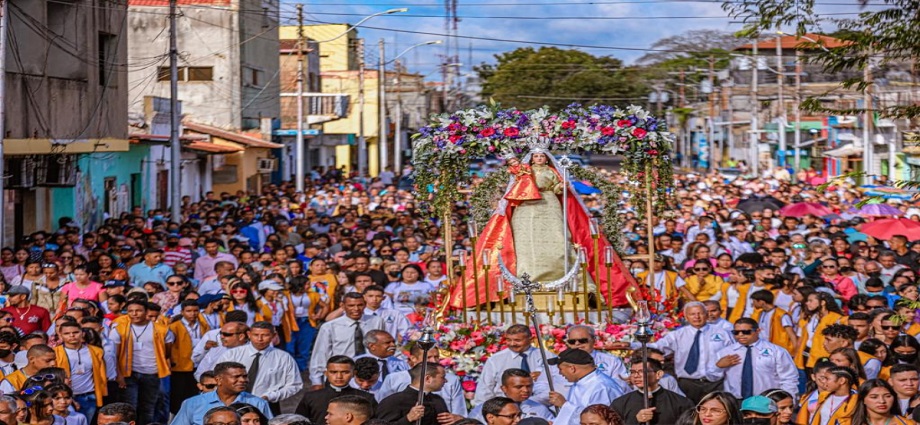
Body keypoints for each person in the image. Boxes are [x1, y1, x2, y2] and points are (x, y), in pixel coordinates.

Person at [644, 302, 732, 403]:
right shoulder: (677, 335)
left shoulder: (722, 333)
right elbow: (657, 346)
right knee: (688, 413)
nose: (697, 317)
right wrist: (631, 345)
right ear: (686, 317)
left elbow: (734, 352)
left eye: (700, 313)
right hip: (687, 383)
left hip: (715, 383)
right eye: (692, 314)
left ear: (706, 315)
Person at [216, 321, 303, 415]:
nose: (260, 339)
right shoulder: (232, 354)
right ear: (249, 334)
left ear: (273, 336)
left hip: (267, 405)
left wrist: (270, 396)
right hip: (231, 403)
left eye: (265, 335)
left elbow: (294, 384)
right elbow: (217, 377)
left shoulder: (283, 358)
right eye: (256, 335)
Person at [109, 300, 173, 425]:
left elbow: (167, 351)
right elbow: (114, 355)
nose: (134, 314)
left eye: (138, 310)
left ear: (146, 312)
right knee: (130, 406)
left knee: (148, 407)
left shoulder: (162, 330)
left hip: (152, 372)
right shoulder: (119, 329)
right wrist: (119, 375)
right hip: (129, 373)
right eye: (131, 311)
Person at [710, 318, 798, 398]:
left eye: (746, 332)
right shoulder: (725, 352)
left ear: (757, 331)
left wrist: (788, 400)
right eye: (736, 332)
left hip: (765, 400)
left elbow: (789, 378)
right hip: (735, 401)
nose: (740, 335)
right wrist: (718, 367)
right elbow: (712, 378)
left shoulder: (776, 351)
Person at [309, 293, 384, 388]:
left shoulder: (377, 321)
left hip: (370, 374)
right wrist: (317, 381)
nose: (356, 309)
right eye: (351, 305)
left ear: (365, 305)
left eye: (360, 305)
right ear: (343, 306)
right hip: (341, 374)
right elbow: (320, 354)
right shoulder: (330, 327)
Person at [375, 343, 467, 416]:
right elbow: (383, 406)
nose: (434, 361)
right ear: (413, 358)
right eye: (429, 357)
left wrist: (457, 418)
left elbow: (459, 409)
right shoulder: (394, 379)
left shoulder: (451, 380)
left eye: (436, 357)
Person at [172, 362, 272, 425]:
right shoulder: (192, 404)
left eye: (245, 376)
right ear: (218, 380)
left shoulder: (259, 403)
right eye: (236, 377)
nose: (242, 380)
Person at [546, 349, 625, 425]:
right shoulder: (580, 382)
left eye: (560, 369)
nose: (560, 373)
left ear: (572, 368)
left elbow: (599, 419)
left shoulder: (602, 387)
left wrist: (564, 405)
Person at [474, 324, 545, 406]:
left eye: (517, 340)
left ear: (530, 339)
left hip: (540, 406)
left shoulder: (546, 357)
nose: (512, 344)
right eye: (508, 340)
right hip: (504, 408)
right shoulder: (496, 359)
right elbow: (485, 389)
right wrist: (483, 410)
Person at [295, 356, 377, 425]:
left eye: (345, 372)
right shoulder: (311, 397)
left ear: (353, 373)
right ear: (326, 373)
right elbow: (299, 421)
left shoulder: (366, 398)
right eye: (333, 372)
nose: (339, 376)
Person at [610, 357, 693, 425]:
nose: (636, 376)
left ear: (658, 374)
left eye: (641, 371)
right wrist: (635, 421)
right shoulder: (620, 403)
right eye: (632, 372)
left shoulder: (681, 403)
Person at [53, 321, 109, 420]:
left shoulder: (96, 351)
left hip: (89, 395)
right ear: (60, 335)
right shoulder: (55, 353)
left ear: (82, 333)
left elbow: (101, 374)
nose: (72, 335)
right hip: (64, 397)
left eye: (75, 332)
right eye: (67, 333)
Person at [376, 362, 455, 425]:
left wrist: (458, 420)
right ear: (428, 379)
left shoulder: (437, 400)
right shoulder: (393, 401)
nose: (446, 381)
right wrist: (408, 419)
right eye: (442, 377)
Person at [169, 299, 211, 413]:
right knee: (178, 394)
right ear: (182, 312)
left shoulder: (203, 325)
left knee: (193, 393)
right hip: (179, 366)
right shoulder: (174, 327)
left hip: (198, 364)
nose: (192, 313)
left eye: (195, 310)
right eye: (189, 311)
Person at [467, 369, 554, 423]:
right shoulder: (483, 410)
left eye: (529, 386)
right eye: (519, 387)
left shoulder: (539, 408)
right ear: (504, 388)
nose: (526, 390)